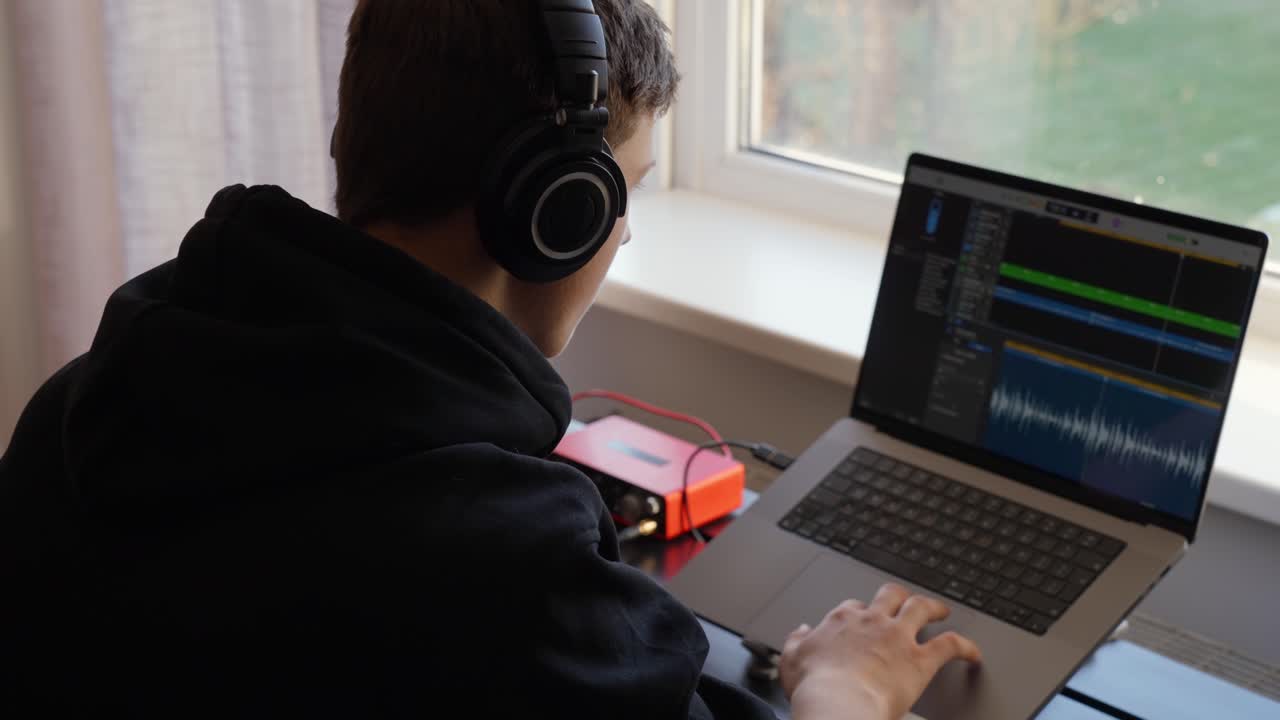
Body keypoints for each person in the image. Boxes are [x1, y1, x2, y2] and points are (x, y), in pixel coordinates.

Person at [0, 1, 980, 717]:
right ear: (558, 210)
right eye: (622, 195)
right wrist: (846, 688)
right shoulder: (499, 569)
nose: (624, 233)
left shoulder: (80, 407)